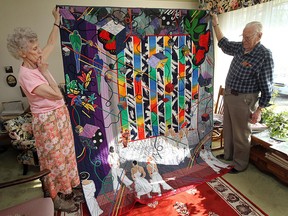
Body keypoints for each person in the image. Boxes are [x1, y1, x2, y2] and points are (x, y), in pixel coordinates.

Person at [7, 7, 81, 212]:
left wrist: (56, 21)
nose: (39, 52)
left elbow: (50, 43)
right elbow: (57, 94)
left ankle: (70, 189)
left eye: (37, 47)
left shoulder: (37, 59)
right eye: (34, 49)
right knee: (54, 159)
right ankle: (57, 197)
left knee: (66, 154)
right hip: (46, 120)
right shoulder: (26, 75)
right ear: (22, 53)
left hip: (59, 115)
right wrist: (46, 72)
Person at [211, 13, 274, 173]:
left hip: (245, 99)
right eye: (243, 37)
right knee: (229, 129)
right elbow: (224, 44)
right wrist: (216, 25)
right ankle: (228, 156)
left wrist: (260, 109)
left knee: (241, 134)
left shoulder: (264, 55)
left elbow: (267, 84)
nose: (244, 41)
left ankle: (239, 165)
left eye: (248, 38)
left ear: (259, 36)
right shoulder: (241, 47)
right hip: (230, 95)